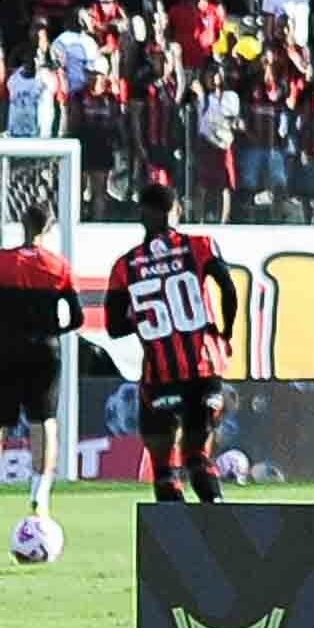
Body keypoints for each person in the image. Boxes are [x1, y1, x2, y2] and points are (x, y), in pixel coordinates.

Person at [106, 175, 245, 506]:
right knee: (198, 457)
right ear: (176, 210)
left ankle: (176, 547)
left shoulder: (125, 267)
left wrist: (147, 320)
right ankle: (219, 530)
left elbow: (114, 327)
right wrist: (225, 331)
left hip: (159, 377)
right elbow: (228, 288)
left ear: (142, 215)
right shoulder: (200, 246)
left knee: (164, 468)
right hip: (203, 369)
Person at [0, 187, 81, 523]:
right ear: (49, 228)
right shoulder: (58, 267)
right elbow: (76, 317)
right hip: (44, 355)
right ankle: (39, 497)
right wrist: (50, 333)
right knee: (43, 423)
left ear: (22, 224)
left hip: (5, 351)